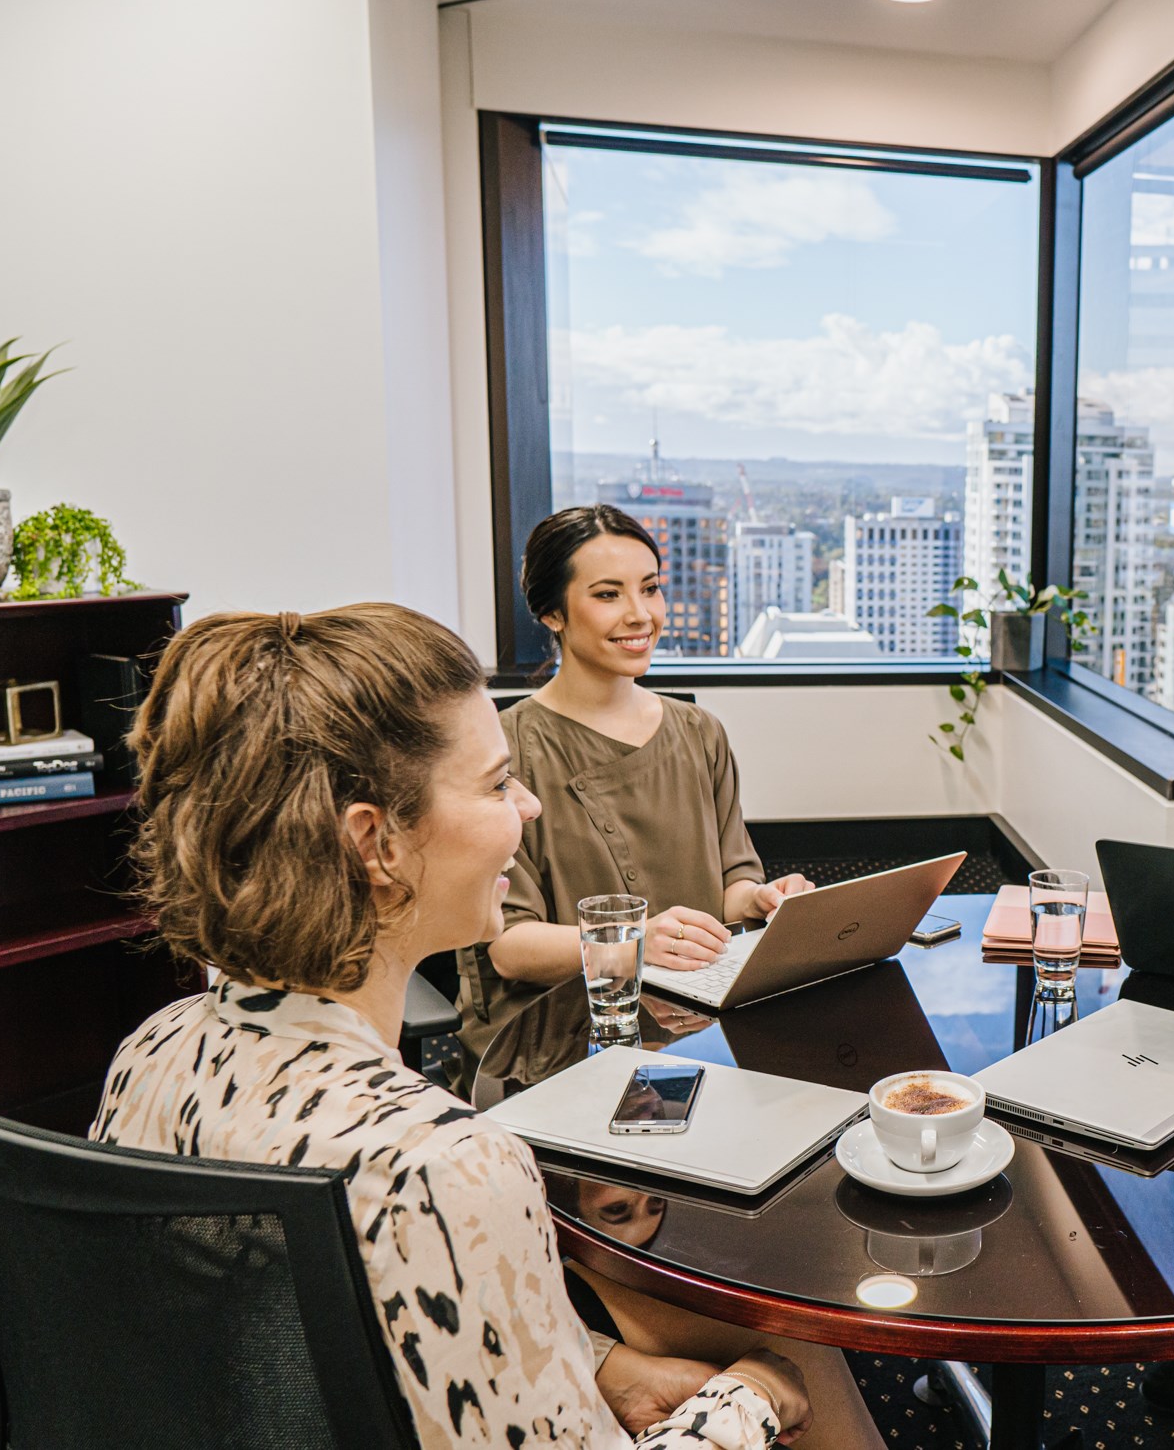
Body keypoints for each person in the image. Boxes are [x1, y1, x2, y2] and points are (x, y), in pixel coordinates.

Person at [91, 602, 885, 1448]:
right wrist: (755, 1396)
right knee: (800, 1358)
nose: (531, 805)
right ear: (376, 844)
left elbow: (311, 1330)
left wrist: (601, 1358)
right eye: (497, 783)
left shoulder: (155, 1047)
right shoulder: (450, 1168)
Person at [458, 505, 812, 1062]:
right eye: (607, 595)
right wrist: (638, 941)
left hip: (691, 1018)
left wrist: (764, 900)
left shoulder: (699, 732)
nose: (640, 614)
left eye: (650, 589)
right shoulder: (505, 752)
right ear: (552, 612)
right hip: (557, 1036)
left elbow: (732, 887)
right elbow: (509, 947)